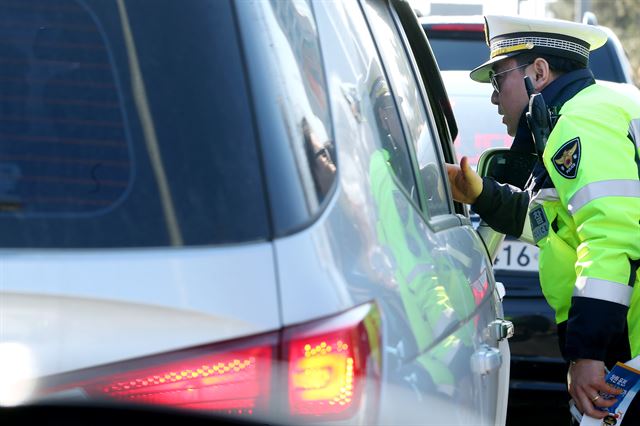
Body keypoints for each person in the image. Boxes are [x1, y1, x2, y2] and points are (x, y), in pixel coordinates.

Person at [446, 15, 640, 422]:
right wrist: (480, 194)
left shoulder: (579, 124)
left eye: (499, 80)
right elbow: (552, 225)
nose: (495, 98)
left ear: (538, 72)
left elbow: (610, 238)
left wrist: (587, 354)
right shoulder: (601, 108)